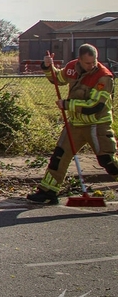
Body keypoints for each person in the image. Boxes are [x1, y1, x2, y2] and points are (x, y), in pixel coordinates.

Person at [27, 44, 116, 205]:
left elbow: (95, 106)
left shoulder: (104, 77)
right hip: (75, 124)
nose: (92, 65)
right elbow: (57, 79)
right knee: (59, 157)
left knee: (107, 160)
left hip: (97, 125)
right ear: (79, 60)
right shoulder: (71, 68)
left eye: (94, 61)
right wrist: (48, 66)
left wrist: (67, 104)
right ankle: (48, 192)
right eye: (88, 63)